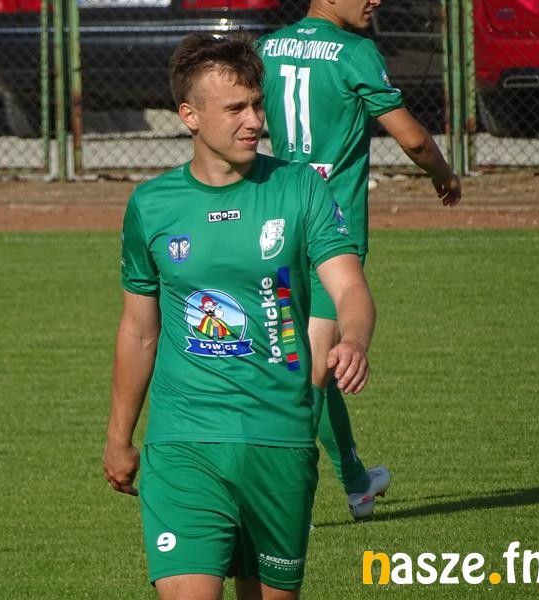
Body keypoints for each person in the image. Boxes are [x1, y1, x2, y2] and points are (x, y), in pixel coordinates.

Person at [103, 30, 376, 600]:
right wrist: (119, 436)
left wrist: (352, 338)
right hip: (183, 442)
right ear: (190, 115)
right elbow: (139, 330)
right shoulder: (151, 205)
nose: (254, 121)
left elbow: (350, 285)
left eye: (256, 104)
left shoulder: (299, 187)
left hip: (280, 439)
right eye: (235, 108)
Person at [259, 0, 462, 519]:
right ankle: (275, 505)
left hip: (277, 225)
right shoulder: (355, 53)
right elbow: (413, 139)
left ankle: (356, 482)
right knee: (311, 374)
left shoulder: (269, 47)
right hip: (332, 230)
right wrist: (443, 173)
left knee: (311, 361)